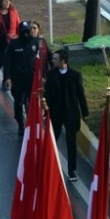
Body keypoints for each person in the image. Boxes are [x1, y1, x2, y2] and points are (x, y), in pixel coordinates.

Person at [45, 47, 89, 182]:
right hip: (56, 113)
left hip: (71, 114)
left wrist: (85, 112)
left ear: (63, 61)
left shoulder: (75, 75)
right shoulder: (51, 74)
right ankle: (48, 166)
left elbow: (80, 94)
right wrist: (45, 109)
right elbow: (48, 93)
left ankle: (71, 170)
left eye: (55, 59)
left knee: (71, 143)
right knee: (52, 140)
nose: (53, 61)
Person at [5, 19, 42, 135]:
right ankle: (20, 124)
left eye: (28, 30)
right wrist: (7, 78)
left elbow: (46, 59)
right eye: (23, 31)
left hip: (31, 80)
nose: (26, 33)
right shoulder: (13, 44)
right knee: (18, 103)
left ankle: (32, 124)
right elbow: (7, 62)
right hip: (17, 80)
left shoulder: (36, 43)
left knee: (32, 103)